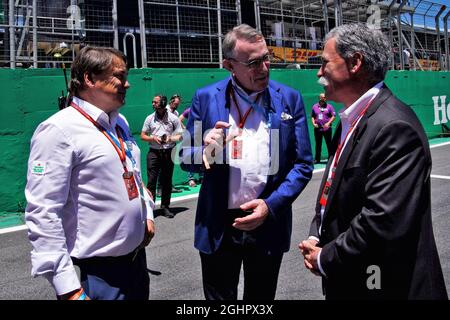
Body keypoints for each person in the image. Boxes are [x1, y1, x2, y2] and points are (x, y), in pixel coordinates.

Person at [299, 23, 447, 300]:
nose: (319, 73)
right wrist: (317, 234)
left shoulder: (393, 125)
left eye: (324, 63)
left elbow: (383, 221)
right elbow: (333, 191)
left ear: (355, 62)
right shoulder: (351, 119)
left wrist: (325, 257)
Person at [180, 24, 313, 300]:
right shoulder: (205, 98)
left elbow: (302, 165)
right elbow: (184, 157)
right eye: (253, 63)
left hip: (268, 221)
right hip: (218, 224)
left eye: (266, 58)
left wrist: (270, 205)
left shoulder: (288, 98)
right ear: (229, 65)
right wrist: (205, 152)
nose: (264, 68)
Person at [25, 46, 155, 300]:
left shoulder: (120, 122)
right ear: (89, 78)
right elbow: (43, 212)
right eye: (119, 76)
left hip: (137, 264)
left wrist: (147, 213)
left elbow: (134, 176)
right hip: (98, 275)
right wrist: (69, 289)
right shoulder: (58, 130)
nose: (126, 84)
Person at [141, 95, 183, 219]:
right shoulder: (149, 118)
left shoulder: (173, 118)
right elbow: (143, 136)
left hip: (168, 152)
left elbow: (180, 136)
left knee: (166, 181)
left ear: (163, 103)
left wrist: (170, 138)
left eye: (156, 102)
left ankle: (165, 207)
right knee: (151, 181)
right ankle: (150, 209)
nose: (153, 104)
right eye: (152, 102)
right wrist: (152, 138)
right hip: (153, 152)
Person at [179, 107, 202, 187]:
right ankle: (191, 179)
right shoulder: (190, 110)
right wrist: (185, 128)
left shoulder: (205, 109)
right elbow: (179, 119)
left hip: (202, 136)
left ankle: (201, 177)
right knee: (191, 157)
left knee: (201, 156)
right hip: (191, 137)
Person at [311, 93, 336, 164]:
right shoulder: (315, 106)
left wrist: (328, 123)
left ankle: (330, 159)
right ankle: (317, 159)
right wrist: (313, 123)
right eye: (324, 97)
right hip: (318, 129)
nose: (325, 98)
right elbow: (313, 116)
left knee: (329, 144)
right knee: (318, 144)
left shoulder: (329, 106)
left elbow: (333, 116)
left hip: (327, 129)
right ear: (320, 98)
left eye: (325, 97)